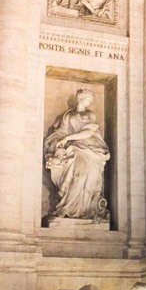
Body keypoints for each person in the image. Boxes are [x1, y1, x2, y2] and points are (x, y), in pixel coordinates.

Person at [44, 89, 110, 220]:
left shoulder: (90, 114)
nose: (91, 102)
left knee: (88, 177)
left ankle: (85, 210)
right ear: (81, 99)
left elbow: (88, 132)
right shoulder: (68, 115)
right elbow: (60, 132)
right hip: (74, 149)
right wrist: (60, 141)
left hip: (91, 149)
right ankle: (68, 207)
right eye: (89, 99)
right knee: (78, 175)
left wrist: (67, 139)